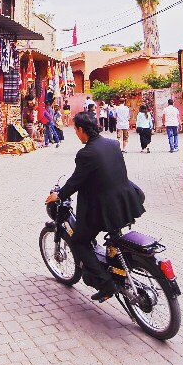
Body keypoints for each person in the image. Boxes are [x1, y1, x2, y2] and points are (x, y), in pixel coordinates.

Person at [45, 112, 145, 302]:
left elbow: (75, 181)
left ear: (82, 130)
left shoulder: (86, 153)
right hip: (125, 202)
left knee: (78, 242)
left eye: (75, 130)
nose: (76, 134)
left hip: (104, 209)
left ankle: (106, 284)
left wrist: (58, 195)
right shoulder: (113, 144)